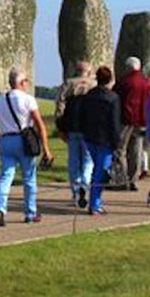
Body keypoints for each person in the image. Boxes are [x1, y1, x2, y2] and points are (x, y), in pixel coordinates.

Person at [0, 67, 53, 226]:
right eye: (25, 81)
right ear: (20, 82)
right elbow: (39, 124)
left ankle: (0, 208)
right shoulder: (28, 99)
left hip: (6, 139)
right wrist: (46, 148)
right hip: (24, 140)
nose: (27, 83)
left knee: (6, 176)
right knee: (29, 178)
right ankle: (30, 213)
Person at [78, 67, 122, 215]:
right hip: (105, 140)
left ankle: (94, 200)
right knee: (100, 172)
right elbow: (115, 123)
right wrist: (117, 142)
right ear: (110, 79)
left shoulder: (89, 95)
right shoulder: (113, 98)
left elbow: (82, 116)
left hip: (90, 137)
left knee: (97, 169)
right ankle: (95, 204)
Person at [55, 60, 95, 208]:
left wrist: (60, 125)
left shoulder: (68, 84)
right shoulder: (93, 85)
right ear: (89, 71)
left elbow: (60, 104)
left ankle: (76, 191)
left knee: (73, 160)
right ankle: (85, 184)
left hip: (72, 126)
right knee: (88, 160)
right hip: (88, 127)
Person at [114, 57, 150, 190]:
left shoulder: (124, 82)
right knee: (136, 151)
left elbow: (115, 98)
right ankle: (133, 179)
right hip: (141, 121)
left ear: (128, 67)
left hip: (125, 120)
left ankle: (121, 180)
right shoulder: (146, 83)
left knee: (120, 151)